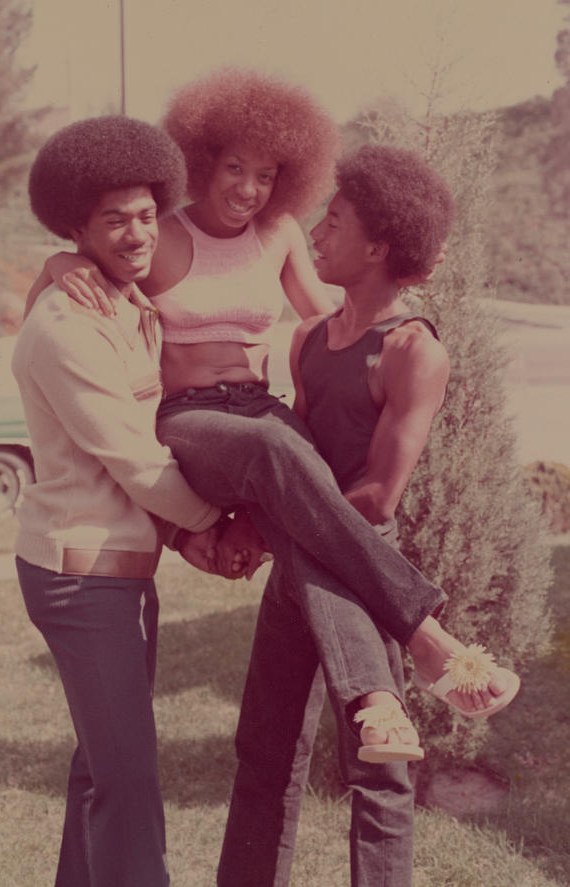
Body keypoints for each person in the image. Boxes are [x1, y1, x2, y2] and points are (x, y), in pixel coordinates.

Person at [28, 71, 518, 769]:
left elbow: (338, 321)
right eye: (235, 168)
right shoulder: (159, 234)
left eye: (266, 175)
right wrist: (57, 262)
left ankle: (376, 701)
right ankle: (425, 633)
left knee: (311, 521)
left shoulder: (281, 233)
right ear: (202, 161)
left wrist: (408, 283)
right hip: (191, 420)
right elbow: (100, 265)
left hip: (260, 413)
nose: (249, 189)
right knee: (278, 452)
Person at [218, 144, 504, 886]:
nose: (315, 232)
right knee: (263, 757)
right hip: (300, 568)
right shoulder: (308, 338)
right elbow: (297, 463)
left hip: (360, 572)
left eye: (335, 220)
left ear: (379, 247)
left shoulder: (412, 351)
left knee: (379, 770)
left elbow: (378, 495)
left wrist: (279, 523)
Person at [12, 115, 248, 887]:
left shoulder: (126, 301)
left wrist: (180, 536)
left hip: (118, 571)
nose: (138, 233)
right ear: (75, 227)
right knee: (130, 785)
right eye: (114, 219)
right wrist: (213, 527)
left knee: (101, 768)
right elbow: (137, 463)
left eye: (147, 214)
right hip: (80, 575)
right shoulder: (67, 324)